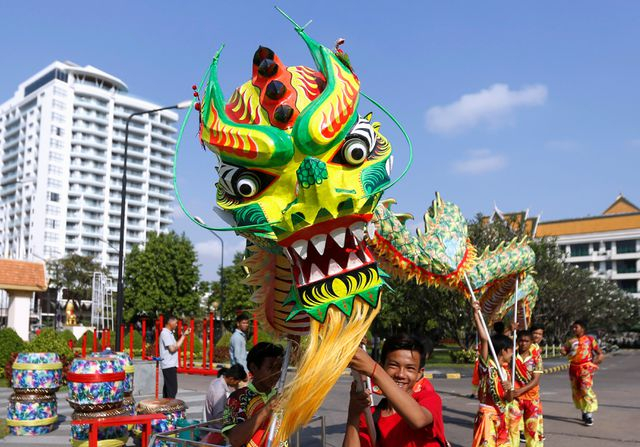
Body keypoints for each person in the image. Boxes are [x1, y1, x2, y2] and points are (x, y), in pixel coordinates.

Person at [343, 334, 447, 447]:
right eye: (393, 365)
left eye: (410, 368)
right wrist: (353, 414)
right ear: (383, 366)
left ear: (419, 374)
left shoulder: (429, 399)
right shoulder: (370, 417)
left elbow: (418, 420)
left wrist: (374, 370)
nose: (400, 374)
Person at [222, 342, 285, 447]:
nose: (276, 373)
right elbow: (235, 440)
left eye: (278, 368)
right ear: (254, 368)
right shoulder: (237, 398)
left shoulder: (279, 395)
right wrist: (267, 409)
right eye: (271, 368)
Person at [471, 302, 514, 447]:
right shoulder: (486, 367)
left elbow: (509, 399)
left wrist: (509, 389)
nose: (513, 354)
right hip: (487, 417)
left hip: (501, 417)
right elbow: (484, 339)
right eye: (511, 350)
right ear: (504, 351)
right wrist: (476, 314)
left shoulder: (506, 372)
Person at [560, 320, 604, 426]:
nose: (574, 329)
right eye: (573, 327)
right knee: (577, 391)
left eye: (576, 327)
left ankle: (589, 414)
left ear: (582, 328)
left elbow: (600, 353)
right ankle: (584, 411)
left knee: (585, 389)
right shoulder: (570, 341)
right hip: (573, 369)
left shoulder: (590, 340)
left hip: (585, 369)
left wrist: (593, 364)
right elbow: (565, 352)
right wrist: (562, 351)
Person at [507, 330, 543, 447]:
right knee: (512, 427)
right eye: (521, 341)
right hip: (515, 399)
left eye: (526, 341)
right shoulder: (511, 357)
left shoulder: (536, 358)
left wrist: (520, 391)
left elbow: (536, 380)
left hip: (532, 398)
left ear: (531, 342)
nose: (523, 344)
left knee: (532, 429)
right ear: (517, 341)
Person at [204, 364, 247, 445]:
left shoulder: (217, 381)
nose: (237, 384)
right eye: (237, 382)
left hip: (214, 427)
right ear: (231, 379)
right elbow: (218, 416)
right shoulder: (220, 391)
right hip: (217, 432)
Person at [159, 315, 191, 398]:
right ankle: (170, 409)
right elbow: (172, 348)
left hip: (170, 365)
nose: (176, 325)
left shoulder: (169, 333)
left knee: (168, 389)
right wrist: (184, 336)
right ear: (170, 322)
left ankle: (166, 408)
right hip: (168, 365)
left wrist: (184, 335)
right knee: (172, 390)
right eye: (176, 323)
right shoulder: (165, 333)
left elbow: (174, 346)